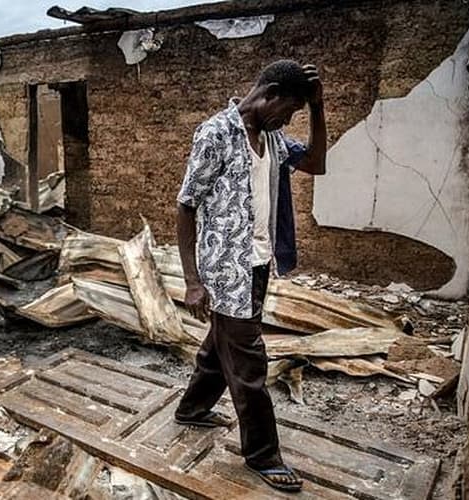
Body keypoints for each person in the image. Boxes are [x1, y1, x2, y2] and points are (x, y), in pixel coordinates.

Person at [173, 59, 327, 493]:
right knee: (249, 362)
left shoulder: (273, 139)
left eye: (296, 114)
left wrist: (317, 108)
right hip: (225, 270)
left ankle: (191, 409)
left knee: (220, 342)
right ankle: (263, 454)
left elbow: (316, 162)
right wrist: (193, 280)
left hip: (259, 263)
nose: (288, 119)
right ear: (270, 93)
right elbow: (186, 206)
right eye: (290, 110)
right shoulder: (215, 134)